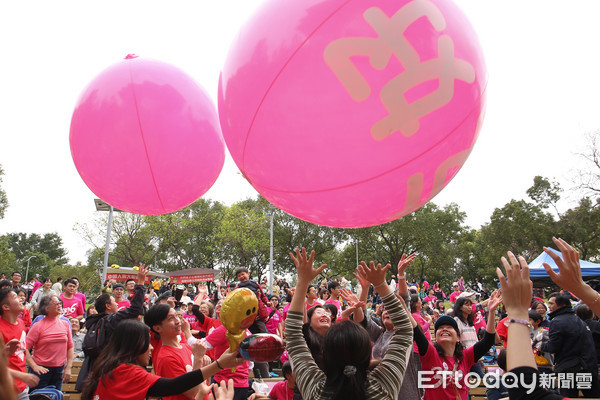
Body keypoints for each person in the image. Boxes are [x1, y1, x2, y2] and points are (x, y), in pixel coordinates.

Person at [287, 248, 413, 400]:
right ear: (368, 357)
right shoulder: (383, 388)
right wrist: (380, 284)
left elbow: (293, 335)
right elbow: (406, 329)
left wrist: (302, 282)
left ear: (325, 355)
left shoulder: (315, 391)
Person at [80, 319, 244, 400]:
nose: (151, 348)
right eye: (148, 343)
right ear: (134, 345)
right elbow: (173, 386)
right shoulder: (125, 371)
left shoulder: (111, 368)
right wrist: (219, 364)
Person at [413, 289, 502, 399]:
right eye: (440, 328)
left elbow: (488, 341)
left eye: (449, 327)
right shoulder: (430, 354)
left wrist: (492, 312)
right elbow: (416, 330)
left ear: (458, 337)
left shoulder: (466, 357)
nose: (444, 329)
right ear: (436, 337)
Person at [75, 265, 149, 391]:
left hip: (95, 369)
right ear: (108, 306)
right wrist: (141, 282)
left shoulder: (93, 322)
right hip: (111, 370)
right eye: (113, 301)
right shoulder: (111, 320)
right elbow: (136, 309)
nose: (116, 303)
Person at [145, 303, 211, 400]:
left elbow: (205, 385)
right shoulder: (166, 358)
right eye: (171, 318)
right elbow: (192, 393)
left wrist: (204, 363)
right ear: (158, 328)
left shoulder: (186, 347)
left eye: (176, 316)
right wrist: (198, 359)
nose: (178, 321)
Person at [541, 291, 599, 397]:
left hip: (569, 370)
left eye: (551, 303)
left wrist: (541, 345)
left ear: (562, 305)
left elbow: (553, 346)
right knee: (593, 396)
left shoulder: (557, 321)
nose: (548, 306)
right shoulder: (579, 320)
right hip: (587, 367)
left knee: (568, 397)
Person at [26, 294, 74, 391]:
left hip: (59, 370)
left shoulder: (65, 324)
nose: (60, 305)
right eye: (56, 303)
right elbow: (25, 348)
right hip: (41, 371)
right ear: (46, 307)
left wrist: (68, 367)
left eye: (60, 303)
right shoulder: (38, 325)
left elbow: (70, 347)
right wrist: (34, 366)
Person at [0, 288, 40, 399]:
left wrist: (33, 365)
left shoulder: (21, 323)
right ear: (6, 307)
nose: (21, 298)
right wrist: (21, 375)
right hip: (5, 390)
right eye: (15, 297)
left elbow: (23, 349)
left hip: (21, 389)